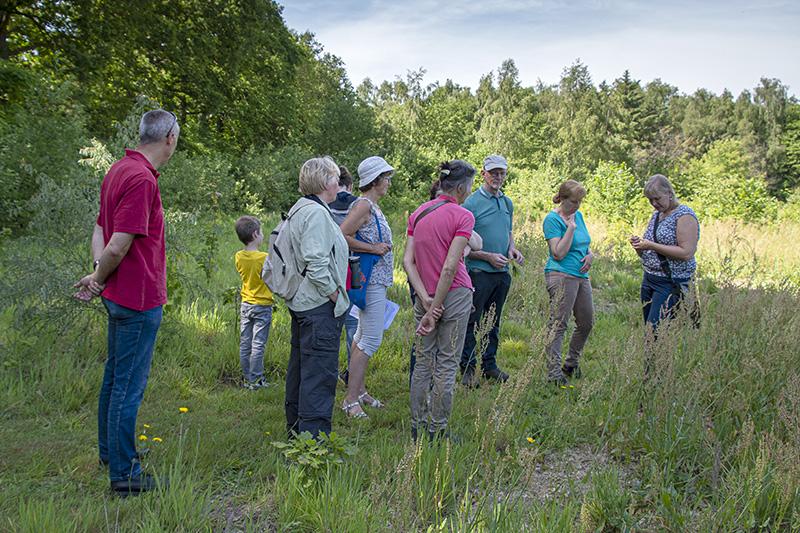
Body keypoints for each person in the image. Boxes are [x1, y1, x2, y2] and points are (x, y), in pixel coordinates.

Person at [73, 109, 179, 496]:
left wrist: (97, 276)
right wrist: (100, 276)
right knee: (127, 386)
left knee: (114, 377)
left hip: (119, 294)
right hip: (136, 298)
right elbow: (117, 241)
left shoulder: (119, 169)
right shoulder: (139, 179)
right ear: (169, 137)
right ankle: (124, 474)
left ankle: (112, 454)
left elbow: (101, 228)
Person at [403, 160, 476, 442]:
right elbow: (449, 267)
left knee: (423, 362)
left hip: (425, 294)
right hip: (454, 295)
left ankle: (417, 426)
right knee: (446, 363)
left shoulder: (418, 213)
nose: (469, 192)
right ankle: (437, 430)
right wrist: (435, 308)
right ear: (460, 187)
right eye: (469, 187)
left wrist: (425, 300)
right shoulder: (462, 216)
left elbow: (408, 262)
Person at [283, 156, 350, 439]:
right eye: (336, 178)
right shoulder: (317, 213)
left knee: (302, 369)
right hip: (318, 305)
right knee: (319, 376)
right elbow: (315, 260)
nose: (339, 184)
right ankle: (313, 445)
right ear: (325, 182)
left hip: (304, 303)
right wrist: (334, 294)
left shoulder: (302, 208)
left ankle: (297, 433)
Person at [460, 154, 524, 387]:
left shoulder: (506, 202)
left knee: (493, 322)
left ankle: (490, 366)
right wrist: (486, 256)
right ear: (484, 173)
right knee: (472, 321)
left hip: (502, 274)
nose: (498, 177)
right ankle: (467, 368)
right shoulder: (471, 203)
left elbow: (508, 232)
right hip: (478, 271)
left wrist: (513, 250)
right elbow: (463, 243)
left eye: (502, 173)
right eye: (493, 172)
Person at [339, 156, 394, 419]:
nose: (389, 183)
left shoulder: (372, 205)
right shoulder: (363, 206)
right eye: (386, 178)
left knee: (361, 336)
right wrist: (372, 248)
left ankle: (359, 391)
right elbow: (342, 235)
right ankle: (350, 401)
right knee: (371, 339)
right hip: (369, 280)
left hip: (376, 280)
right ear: (375, 181)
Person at [630, 174, 700, 332]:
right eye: (650, 200)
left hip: (670, 282)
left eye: (657, 198)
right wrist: (640, 248)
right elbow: (650, 251)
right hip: (649, 279)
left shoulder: (684, 216)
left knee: (655, 332)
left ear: (669, 193)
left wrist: (652, 245)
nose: (654, 203)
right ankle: (651, 357)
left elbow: (686, 252)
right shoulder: (657, 215)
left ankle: (658, 357)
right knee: (649, 330)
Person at [542, 180, 595, 386]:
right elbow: (558, 253)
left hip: (581, 275)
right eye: (573, 201)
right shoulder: (552, 220)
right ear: (562, 199)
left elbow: (585, 243)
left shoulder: (578, 216)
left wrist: (590, 255)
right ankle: (553, 373)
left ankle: (571, 363)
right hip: (561, 274)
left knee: (586, 322)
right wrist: (570, 229)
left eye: (580, 201)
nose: (577, 206)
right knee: (558, 323)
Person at [327, 166, 359, 385]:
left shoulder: (321, 203)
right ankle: (351, 375)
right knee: (353, 328)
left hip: (326, 273)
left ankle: (327, 373)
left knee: (328, 328)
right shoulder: (357, 204)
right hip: (353, 271)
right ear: (350, 185)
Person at [234, 215, 273, 390]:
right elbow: (270, 278)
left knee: (245, 343)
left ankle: (247, 379)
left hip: (246, 304)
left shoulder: (239, 256)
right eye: (262, 232)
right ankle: (256, 381)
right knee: (258, 344)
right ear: (256, 234)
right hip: (262, 305)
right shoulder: (264, 257)